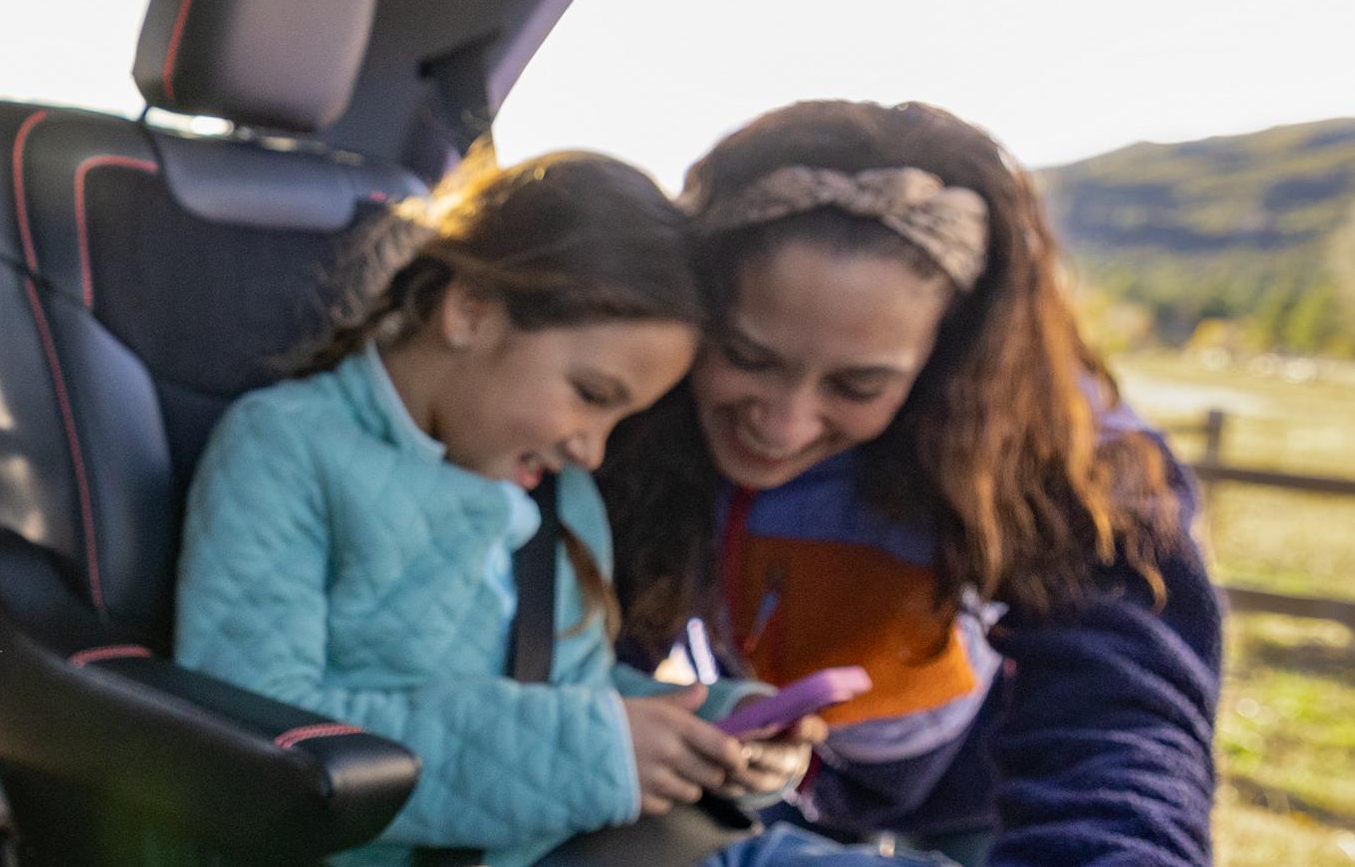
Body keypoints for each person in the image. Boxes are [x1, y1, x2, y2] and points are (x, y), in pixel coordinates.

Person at [172, 151, 931, 867]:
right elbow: (267, 740)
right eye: (592, 397)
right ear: (470, 311)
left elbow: (570, 695)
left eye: (620, 421)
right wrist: (597, 752)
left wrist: (712, 729)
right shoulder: (287, 448)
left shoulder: (556, 490)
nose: (595, 452)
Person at [605, 101, 1221, 867]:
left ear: (948, 355)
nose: (785, 426)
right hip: (773, 782)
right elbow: (588, 641)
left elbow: (1119, 711)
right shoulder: (624, 411)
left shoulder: (1063, 450)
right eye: (747, 357)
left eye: (858, 387)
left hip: (991, 795)